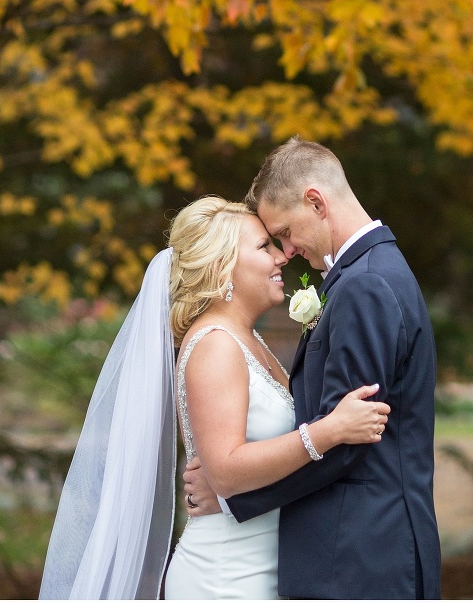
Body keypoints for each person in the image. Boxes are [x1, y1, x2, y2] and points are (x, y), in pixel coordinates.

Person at [39, 195, 389, 600]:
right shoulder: (215, 345)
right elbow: (224, 471)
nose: (281, 257)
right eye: (264, 247)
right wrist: (328, 432)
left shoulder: (247, 339)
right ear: (223, 268)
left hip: (264, 567)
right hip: (226, 577)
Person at [184, 139, 441, 600]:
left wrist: (233, 496)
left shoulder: (365, 286)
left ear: (316, 202)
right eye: (271, 242)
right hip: (354, 553)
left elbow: (347, 444)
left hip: (360, 556)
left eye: (283, 233)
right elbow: (334, 429)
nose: (287, 251)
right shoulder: (365, 276)